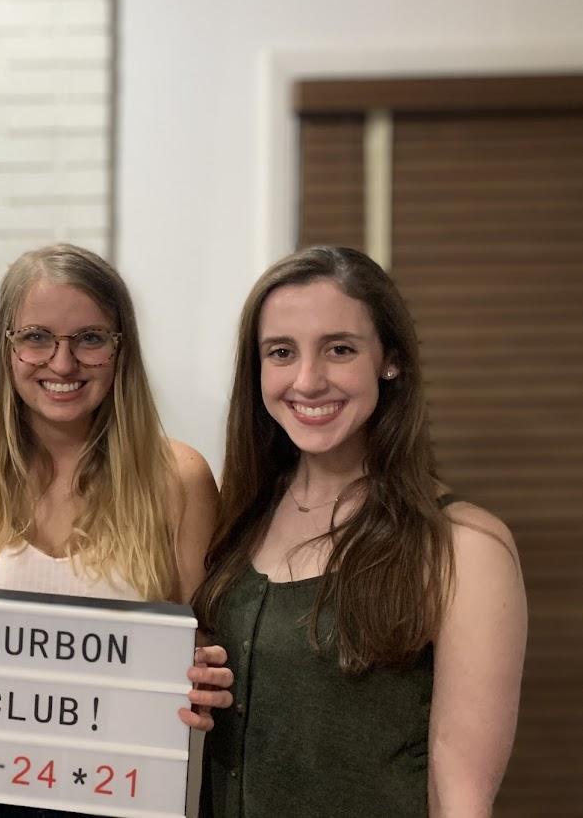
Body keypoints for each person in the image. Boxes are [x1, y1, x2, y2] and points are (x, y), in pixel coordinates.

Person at [0, 244, 234, 818]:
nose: (62, 364)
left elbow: (201, 640)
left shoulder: (178, 478)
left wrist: (206, 677)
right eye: (37, 337)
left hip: (125, 797)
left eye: (89, 339)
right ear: (5, 346)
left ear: (121, 348)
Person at [195, 246, 526, 818]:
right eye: (281, 352)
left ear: (389, 361)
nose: (307, 380)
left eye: (339, 349)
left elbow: (462, 797)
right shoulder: (235, 520)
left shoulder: (464, 546)